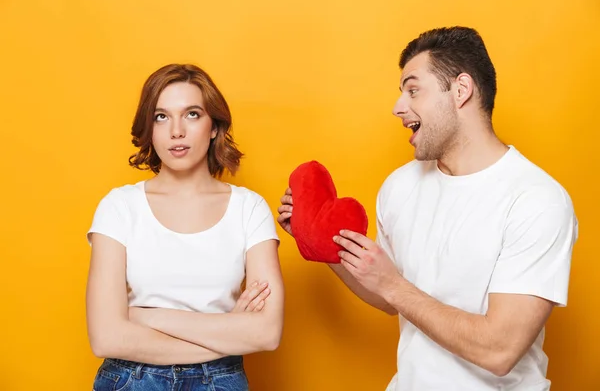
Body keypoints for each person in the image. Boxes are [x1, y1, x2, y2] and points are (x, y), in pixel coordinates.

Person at [277, 26, 578, 390]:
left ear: (461, 91)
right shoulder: (400, 186)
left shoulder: (536, 199)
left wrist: (394, 285)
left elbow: (500, 351)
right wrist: (318, 241)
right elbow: (387, 296)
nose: (398, 107)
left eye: (413, 90)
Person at [86, 63, 284, 390]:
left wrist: (147, 316)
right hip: (132, 380)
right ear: (149, 128)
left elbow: (267, 333)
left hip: (221, 382)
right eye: (161, 116)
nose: (176, 131)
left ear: (215, 127)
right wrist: (228, 330)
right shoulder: (119, 207)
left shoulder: (249, 208)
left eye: (192, 114)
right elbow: (106, 338)